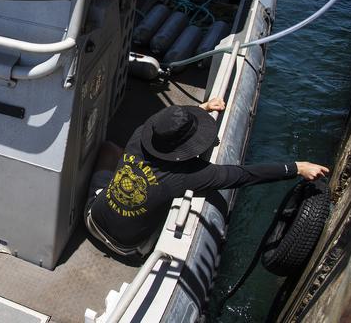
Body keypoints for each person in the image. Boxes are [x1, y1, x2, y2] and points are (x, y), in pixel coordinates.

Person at [85, 97, 330, 257]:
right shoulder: (189, 176)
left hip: (92, 221)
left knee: (109, 149)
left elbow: (167, 126)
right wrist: (296, 167)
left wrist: (202, 107)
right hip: (128, 248)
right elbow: (244, 175)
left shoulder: (139, 136)